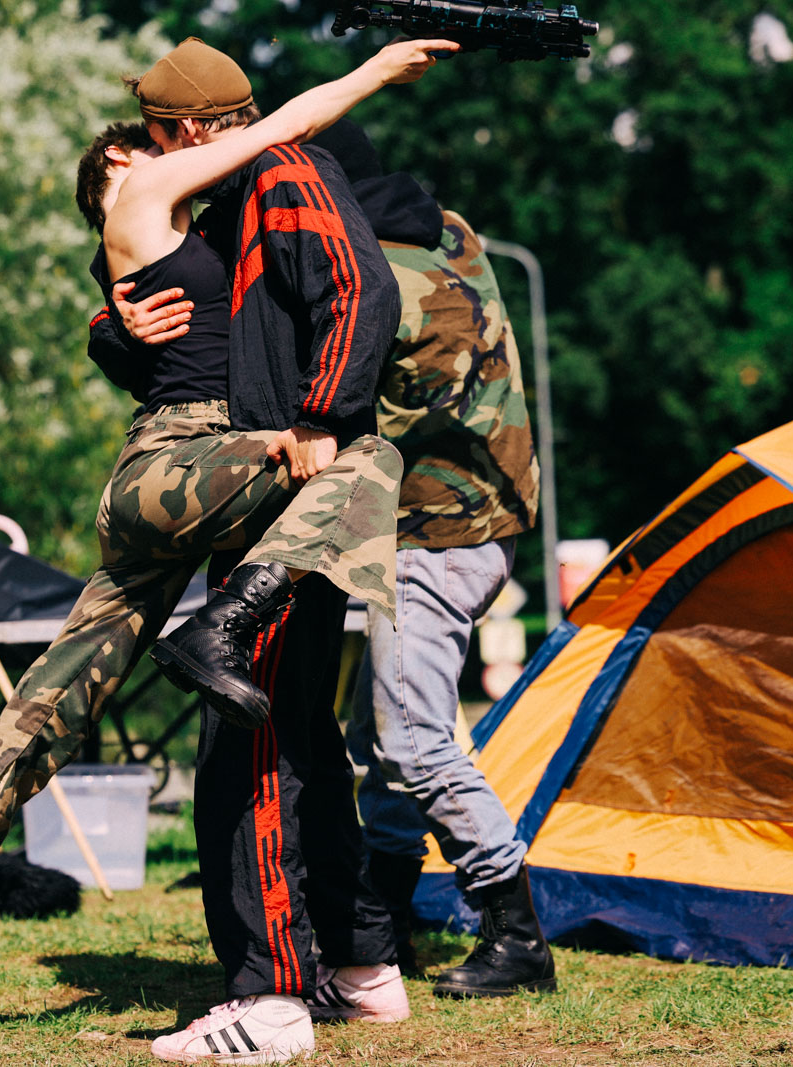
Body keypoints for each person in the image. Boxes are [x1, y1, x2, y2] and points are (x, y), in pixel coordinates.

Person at [0, 38, 454, 1055]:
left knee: (51, 699)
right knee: (364, 460)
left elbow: (211, 289)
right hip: (183, 464)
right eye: (130, 154)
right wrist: (375, 72)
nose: (149, 159)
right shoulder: (158, 188)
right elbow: (282, 129)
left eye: (148, 143)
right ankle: (227, 622)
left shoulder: (195, 214)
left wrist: (115, 325)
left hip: (175, 477)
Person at [111, 118, 556, 1000]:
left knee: (412, 736)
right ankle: (385, 916)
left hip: (440, 530)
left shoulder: (381, 276)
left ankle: (516, 930)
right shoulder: (447, 230)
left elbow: (326, 384)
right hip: (468, 521)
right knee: (379, 734)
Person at [87, 38, 463, 1062]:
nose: (153, 154)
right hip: (272, 498)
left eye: (156, 136)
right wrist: (116, 327)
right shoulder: (237, 192)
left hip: (290, 494)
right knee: (297, 730)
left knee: (247, 747)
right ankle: (363, 967)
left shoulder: (286, 173)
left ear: (188, 129)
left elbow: (360, 290)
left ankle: (273, 997)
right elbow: (195, 337)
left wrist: (320, 416)